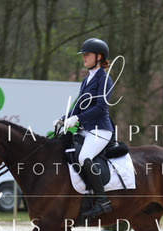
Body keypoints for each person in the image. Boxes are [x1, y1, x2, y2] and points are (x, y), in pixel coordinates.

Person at [55, 37, 115, 217]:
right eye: (83, 54)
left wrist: (77, 118)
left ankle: (102, 201)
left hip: (100, 130)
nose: (83, 57)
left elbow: (100, 108)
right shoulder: (86, 80)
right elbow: (78, 106)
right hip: (85, 130)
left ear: (99, 57)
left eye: (87, 54)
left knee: (84, 157)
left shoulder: (105, 79)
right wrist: (64, 118)